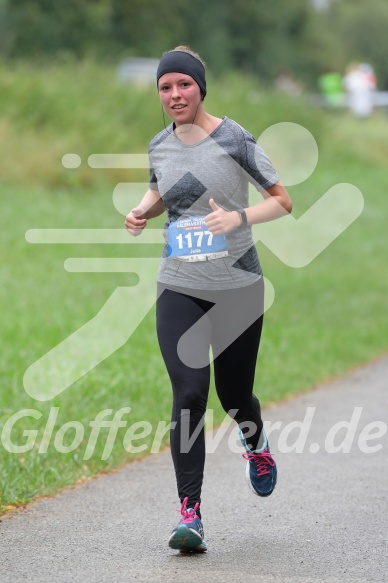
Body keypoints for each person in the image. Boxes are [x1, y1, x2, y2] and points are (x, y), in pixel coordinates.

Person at [125, 45, 292, 553]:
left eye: (183, 86)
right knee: (189, 393)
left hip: (238, 286)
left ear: (201, 88)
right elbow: (163, 190)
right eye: (165, 87)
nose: (174, 95)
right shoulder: (160, 144)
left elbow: (282, 200)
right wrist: (141, 210)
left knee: (234, 396)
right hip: (179, 282)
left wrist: (236, 219)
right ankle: (190, 515)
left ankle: (255, 442)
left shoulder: (235, 138)